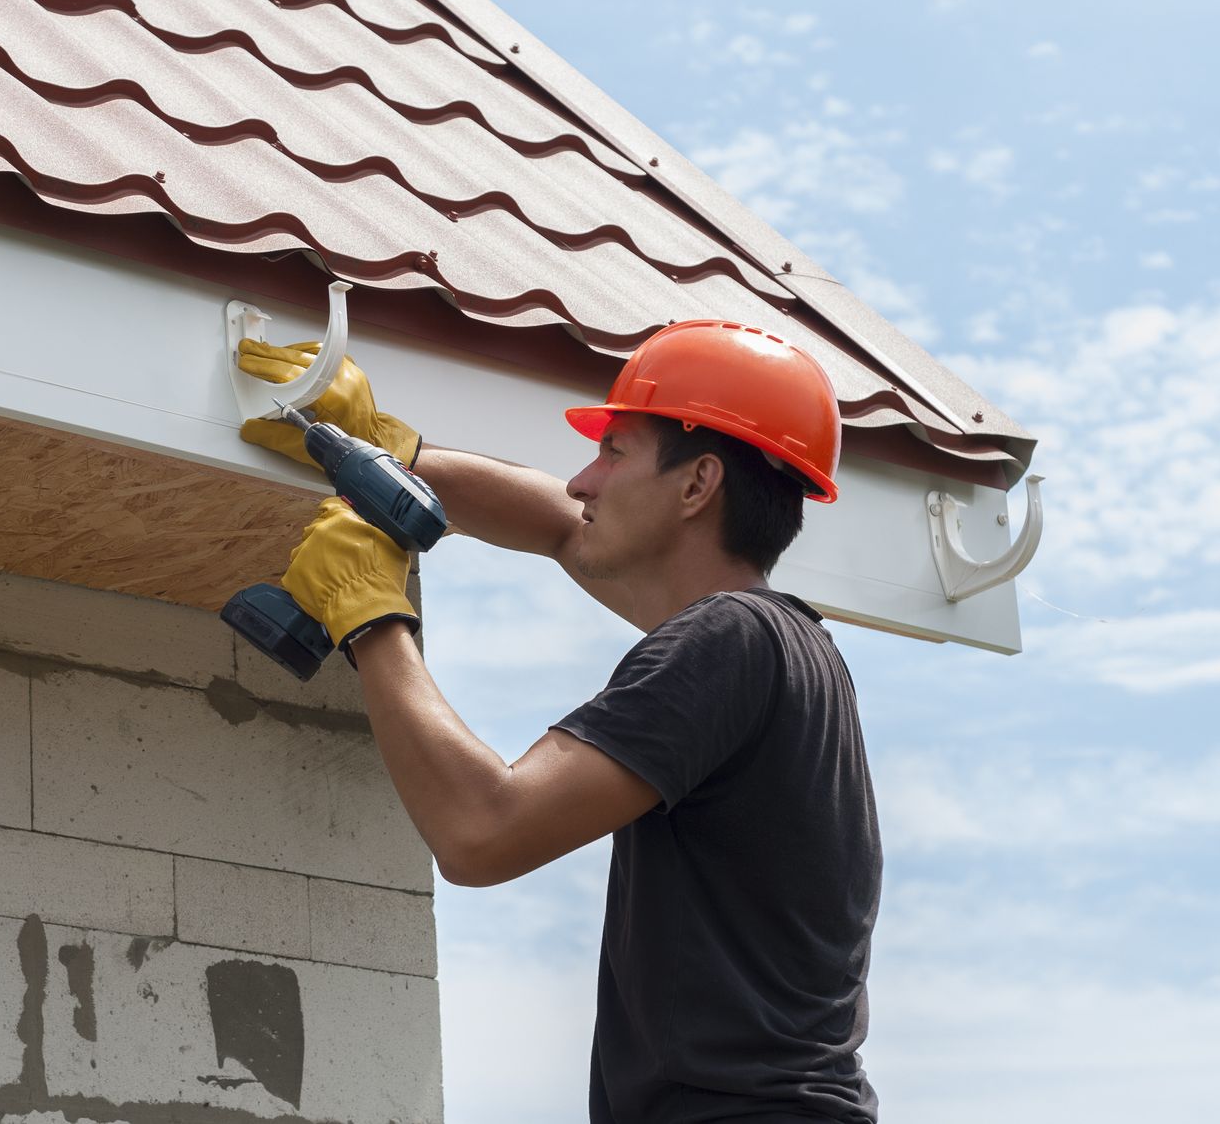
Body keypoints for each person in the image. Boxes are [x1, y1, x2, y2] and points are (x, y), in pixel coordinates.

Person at [237, 319, 882, 1124]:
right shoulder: (788, 651)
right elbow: (555, 524)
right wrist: (372, 452)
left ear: (697, 484)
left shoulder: (728, 641)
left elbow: (482, 828)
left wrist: (369, 616)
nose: (583, 479)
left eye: (615, 452)